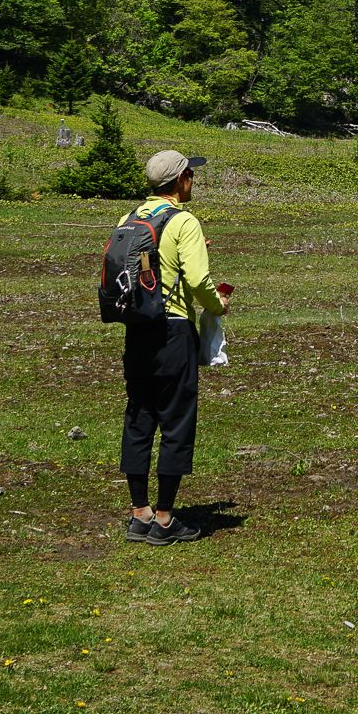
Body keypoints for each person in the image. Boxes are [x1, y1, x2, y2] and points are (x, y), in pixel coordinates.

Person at [118, 149, 231, 544]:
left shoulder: (130, 218)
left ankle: (139, 512)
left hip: (138, 330)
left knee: (140, 414)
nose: (193, 181)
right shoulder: (183, 221)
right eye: (190, 175)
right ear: (181, 180)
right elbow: (199, 280)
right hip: (173, 329)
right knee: (177, 418)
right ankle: (165, 518)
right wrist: (219, 305)